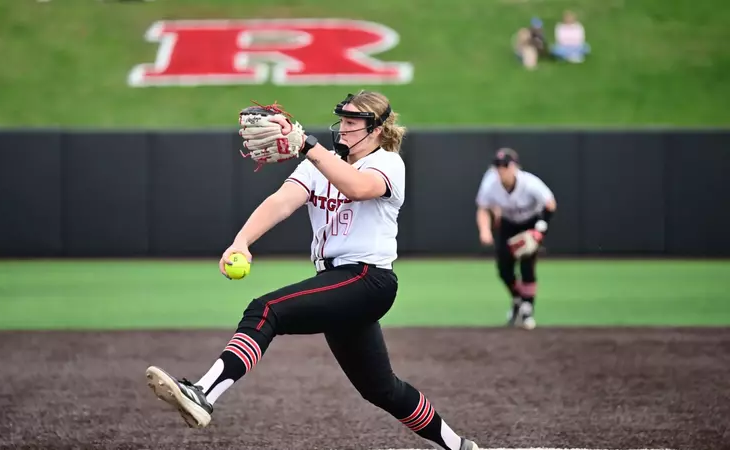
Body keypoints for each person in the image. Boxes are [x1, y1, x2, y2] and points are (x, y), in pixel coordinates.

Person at [145, 90, 479, 450]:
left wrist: (307, 144)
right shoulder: (319, 163)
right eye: (343, 121)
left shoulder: (387, 163)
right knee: (382, 389)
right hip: (338, 285)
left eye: (354, 123)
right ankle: (458, 446)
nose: (344, 129)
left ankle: (203, 392)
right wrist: (241, 241)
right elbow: (281, 202)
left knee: (266, 310)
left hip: (369, 279)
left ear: (377, 130)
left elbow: (357, 186)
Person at [475, 148, 556, 330]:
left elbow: (550, 204)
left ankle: (527, 309)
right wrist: (485, 230)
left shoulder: (530, 183)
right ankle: (517, 299)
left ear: (514, 167)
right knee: (504, 269)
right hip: (508, 223)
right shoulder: (490, 184)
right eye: (498, 166)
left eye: (505, 166)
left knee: (527, 264)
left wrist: (539, 230)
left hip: (530, 222)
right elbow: (483, 208)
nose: (501, 170)